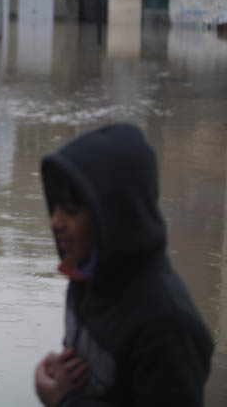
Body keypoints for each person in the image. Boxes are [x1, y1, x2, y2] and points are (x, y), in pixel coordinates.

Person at [34, 123, 214, 406]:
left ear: (114, 216)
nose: (55, 222)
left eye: (70, 211)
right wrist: (60, 376)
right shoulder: (84, 276)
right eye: (54, 207)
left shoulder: (168, 326)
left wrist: (65, 400)